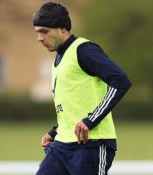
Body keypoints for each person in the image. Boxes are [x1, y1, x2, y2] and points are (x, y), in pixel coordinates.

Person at [33, 2, 131, 175]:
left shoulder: (84, 50)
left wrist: (91, 120)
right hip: (61, 146)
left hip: (91, 145)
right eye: (38, 32)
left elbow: (121, 81)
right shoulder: (58, 60)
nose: (40, 38)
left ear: (62, 29)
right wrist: (55, 132)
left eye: (44, 31)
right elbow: (74, 105)